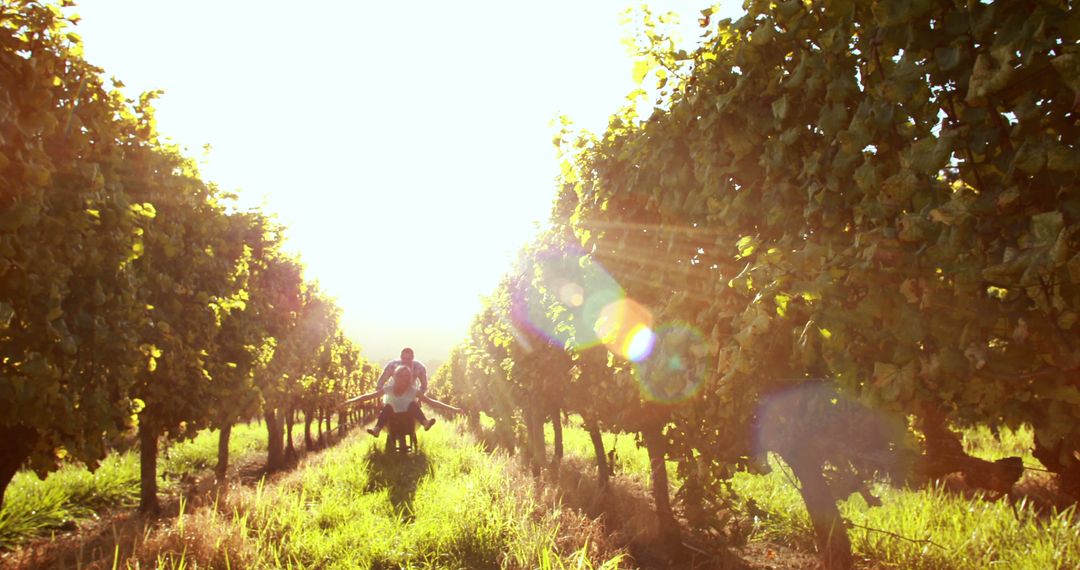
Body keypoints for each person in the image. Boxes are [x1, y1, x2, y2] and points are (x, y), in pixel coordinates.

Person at [345, 364, 460, 437]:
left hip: (408, 416)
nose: (404, 379)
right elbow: (368, 396)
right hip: (392, 416)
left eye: (406, 376)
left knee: (412, 404)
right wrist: (349, 402)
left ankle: (425, 422)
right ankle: (377, 429)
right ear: (395, 377)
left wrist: (453, 409)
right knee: (388, 407)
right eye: (401, 376)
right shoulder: (389, 389)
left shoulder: (412, 390)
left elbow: (431, 402)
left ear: (409, 378)